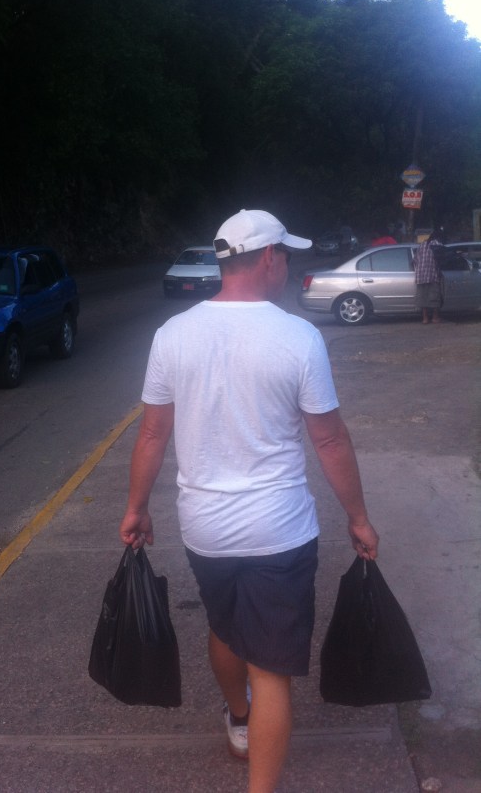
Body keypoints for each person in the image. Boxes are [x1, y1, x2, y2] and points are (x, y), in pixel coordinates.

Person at [119, 209, 379, 793]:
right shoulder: (298, 337)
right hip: (278, 529)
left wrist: (136, 508)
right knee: (274, 674)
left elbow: (153, 434)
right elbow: (330, 438)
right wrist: (358, 519)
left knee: (225, 625)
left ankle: (238, 717)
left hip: (204, 528)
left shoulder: (173, 334)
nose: (288, 264)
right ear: (267, 258)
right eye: (285, 254)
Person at [413, 229, 443, 323]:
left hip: (420, 276)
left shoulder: (422, 245)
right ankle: (435, 318)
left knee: (423, 298)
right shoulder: (438, 245)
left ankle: (425, 319)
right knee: (434, 298)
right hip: (432, 275)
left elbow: (415, 260)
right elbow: (442, 261)